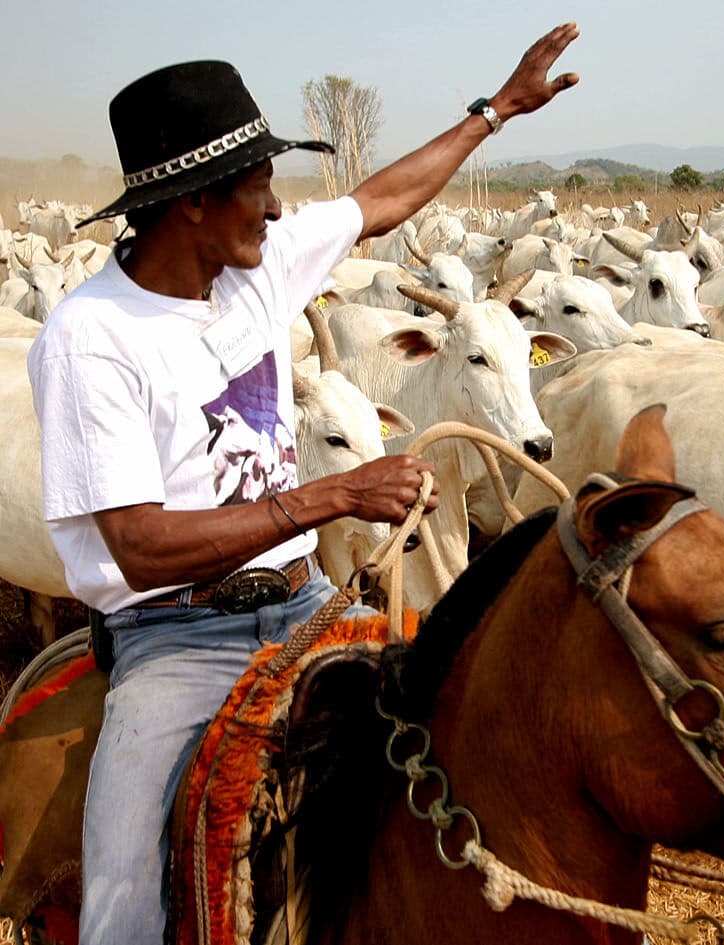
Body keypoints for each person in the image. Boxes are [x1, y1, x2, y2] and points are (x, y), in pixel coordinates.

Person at [27, 23, 579, 944]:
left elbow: (379, 200)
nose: (277, 209)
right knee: (123, 899)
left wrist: (494, 112)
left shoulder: (254, 268)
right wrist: (334, 495)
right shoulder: (93, 340)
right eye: (257, 188)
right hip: (174, 636)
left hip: (307, 600)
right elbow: (138, 543)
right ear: (194, 204)